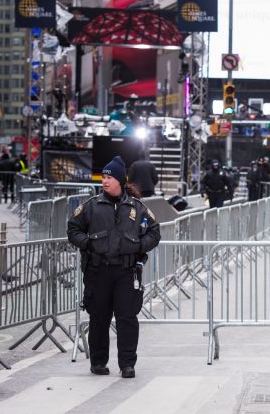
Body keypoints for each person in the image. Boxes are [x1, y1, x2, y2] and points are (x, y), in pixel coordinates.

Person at [67, 156, 161, 378]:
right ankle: (98, 362)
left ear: (120, 179)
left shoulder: (137, 208)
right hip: (98, 271)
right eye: (104, 177)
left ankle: (127, 364)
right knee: (99, 317)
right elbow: (73, 230)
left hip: (127, 272)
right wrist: (88, 243)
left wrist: (140, 246)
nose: (105, 181)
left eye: (109, 177)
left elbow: (154, 232)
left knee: (127, 318)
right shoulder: (91, 206)